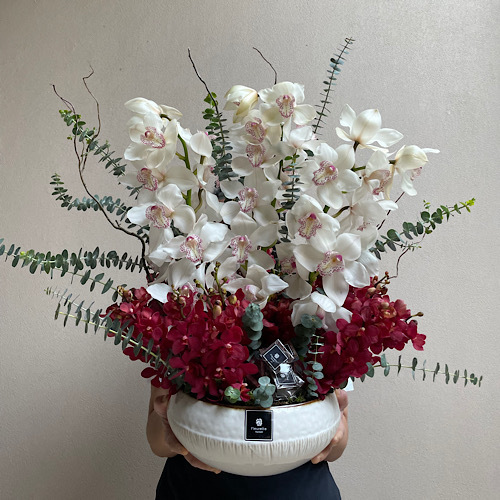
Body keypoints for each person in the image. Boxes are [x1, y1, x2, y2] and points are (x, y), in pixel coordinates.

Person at [148, 385, 349, 500]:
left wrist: (333, 429)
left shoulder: (324, 317)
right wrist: (171, 424)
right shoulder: (178, 318)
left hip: (300, 490)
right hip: (196, 488)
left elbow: (336, 449)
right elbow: (158, 444)